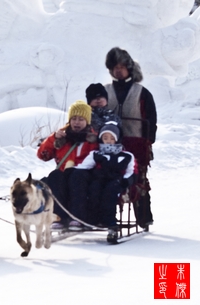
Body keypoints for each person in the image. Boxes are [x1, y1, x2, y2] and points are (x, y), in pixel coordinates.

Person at [104, 47, 157, 229]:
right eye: (114, 67)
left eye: (121, 66)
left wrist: (148, 142)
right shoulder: (105, 91)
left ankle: (144, 217)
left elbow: (151, 119)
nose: (118, 71)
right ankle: (105, 215)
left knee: (138, 180)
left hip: (136, 142)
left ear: (128, 67)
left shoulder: (141, 93)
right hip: (109, 144)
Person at [37, 100, 98, 229]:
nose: (77, 122)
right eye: (74, 119)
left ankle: (77, 217)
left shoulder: (93, 139)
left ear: (87, 121)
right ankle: (58, 217)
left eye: (81, 119)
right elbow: (42, 155)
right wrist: (53, 139)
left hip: (84, 174)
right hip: (64, 173)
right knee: (55, 176)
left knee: (77, 177)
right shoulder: (61, 137)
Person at [72, 122, 136, 239]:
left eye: (112, 138)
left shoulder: (127, 156)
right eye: (105, 138)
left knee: (110, 193)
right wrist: (72, 171)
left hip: (116, 180)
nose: (108, 141)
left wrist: (126, 181)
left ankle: (110, 221)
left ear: (116, 139)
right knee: (94, 190)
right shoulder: (96, 154)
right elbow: (84, 166)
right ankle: (94, 219)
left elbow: (131, 171)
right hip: (99, 178)